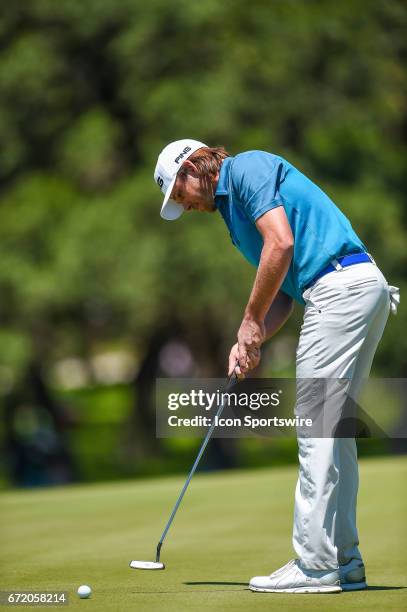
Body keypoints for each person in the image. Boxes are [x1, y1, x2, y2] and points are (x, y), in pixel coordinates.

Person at [154, 139, 399, 594]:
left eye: (178, 192)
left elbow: (281, 243)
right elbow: (286, 291)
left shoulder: (247, 168)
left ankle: (314, 564)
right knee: (334, 429)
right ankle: (344, 561)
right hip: (355, 289)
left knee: (316, 426)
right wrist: (251, 339)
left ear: (193, 166)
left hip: (340, 287)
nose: (182, 205)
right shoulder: (233, 214)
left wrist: (249, 319)